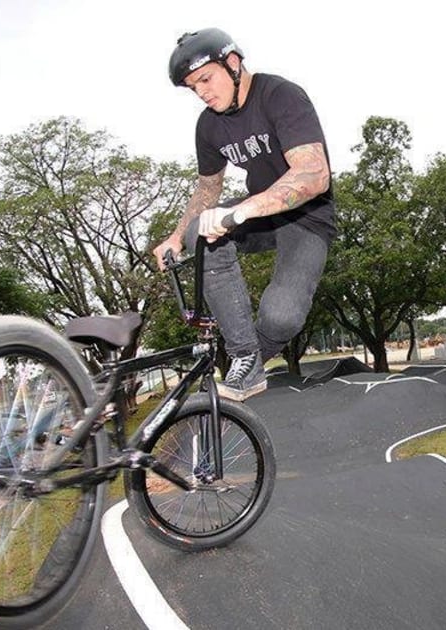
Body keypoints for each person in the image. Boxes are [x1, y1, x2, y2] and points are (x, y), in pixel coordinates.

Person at [153, 28, 334, 401]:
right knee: (198, 232)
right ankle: (243, 356)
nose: (202, 92)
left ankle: (254, 356)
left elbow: (314, 174)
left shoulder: (281, 96)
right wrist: (175, 236)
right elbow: (208, 189)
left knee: (282, 317)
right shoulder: (208, 125)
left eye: (205, 79)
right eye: (193, 87)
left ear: (233, 63)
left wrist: (241, 211)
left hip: (308, 216)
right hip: (261, 216)